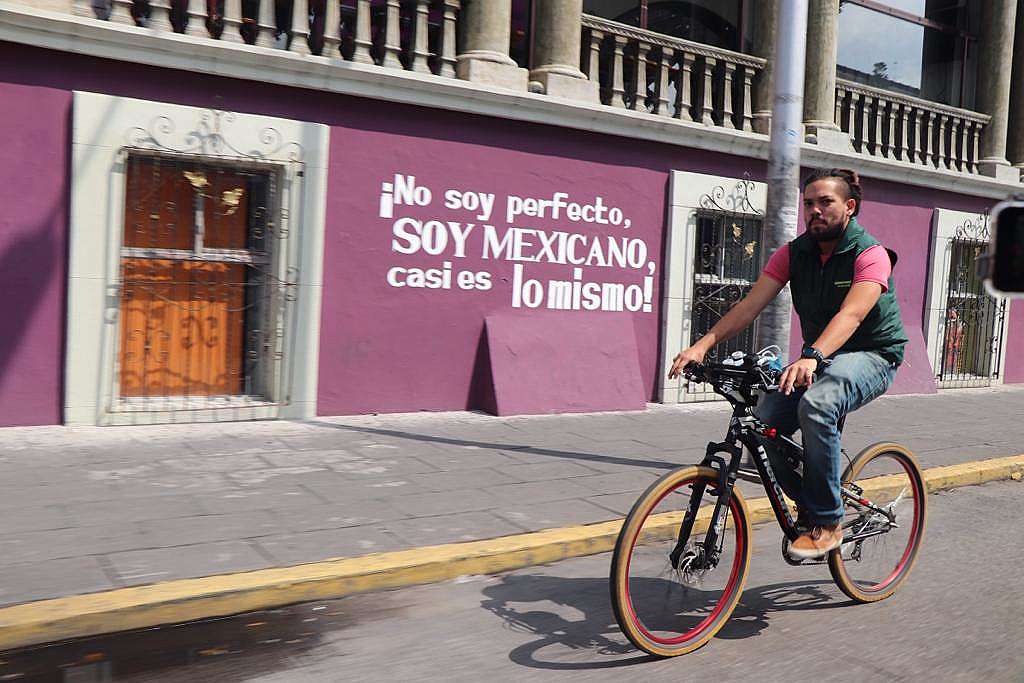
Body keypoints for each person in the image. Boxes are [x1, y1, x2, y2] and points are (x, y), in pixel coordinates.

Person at [668, 168, 908, 560]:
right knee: (763, 423)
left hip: (872, 354)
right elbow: (750, 304)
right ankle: (812, 504)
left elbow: (852, 315)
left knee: (818, 405)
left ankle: (827, 522)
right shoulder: (794, 253)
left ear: (849, 207)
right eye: (809, 203)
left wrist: (812, 356)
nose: (814, 210)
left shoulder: (870, 254)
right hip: (821, 356)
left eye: (825, 202)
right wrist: (703, 345)